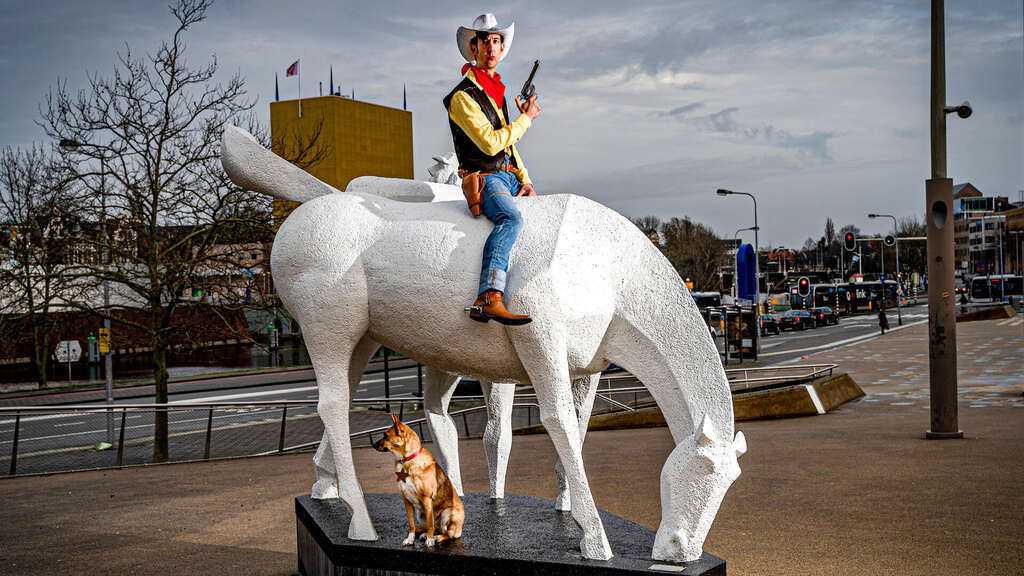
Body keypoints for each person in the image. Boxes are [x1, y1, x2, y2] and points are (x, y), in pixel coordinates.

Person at [443, 13, 540, 325]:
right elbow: (490, 144)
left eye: (497, 41)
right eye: (486, 42)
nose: (492, 48)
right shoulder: (461, 97)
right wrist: (526, 120)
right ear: (474, 48)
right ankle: (489, 296)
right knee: (510, 218)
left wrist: (525, 179)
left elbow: (509, 148)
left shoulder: (494, 93)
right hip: (485, 178)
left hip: (507, 176)